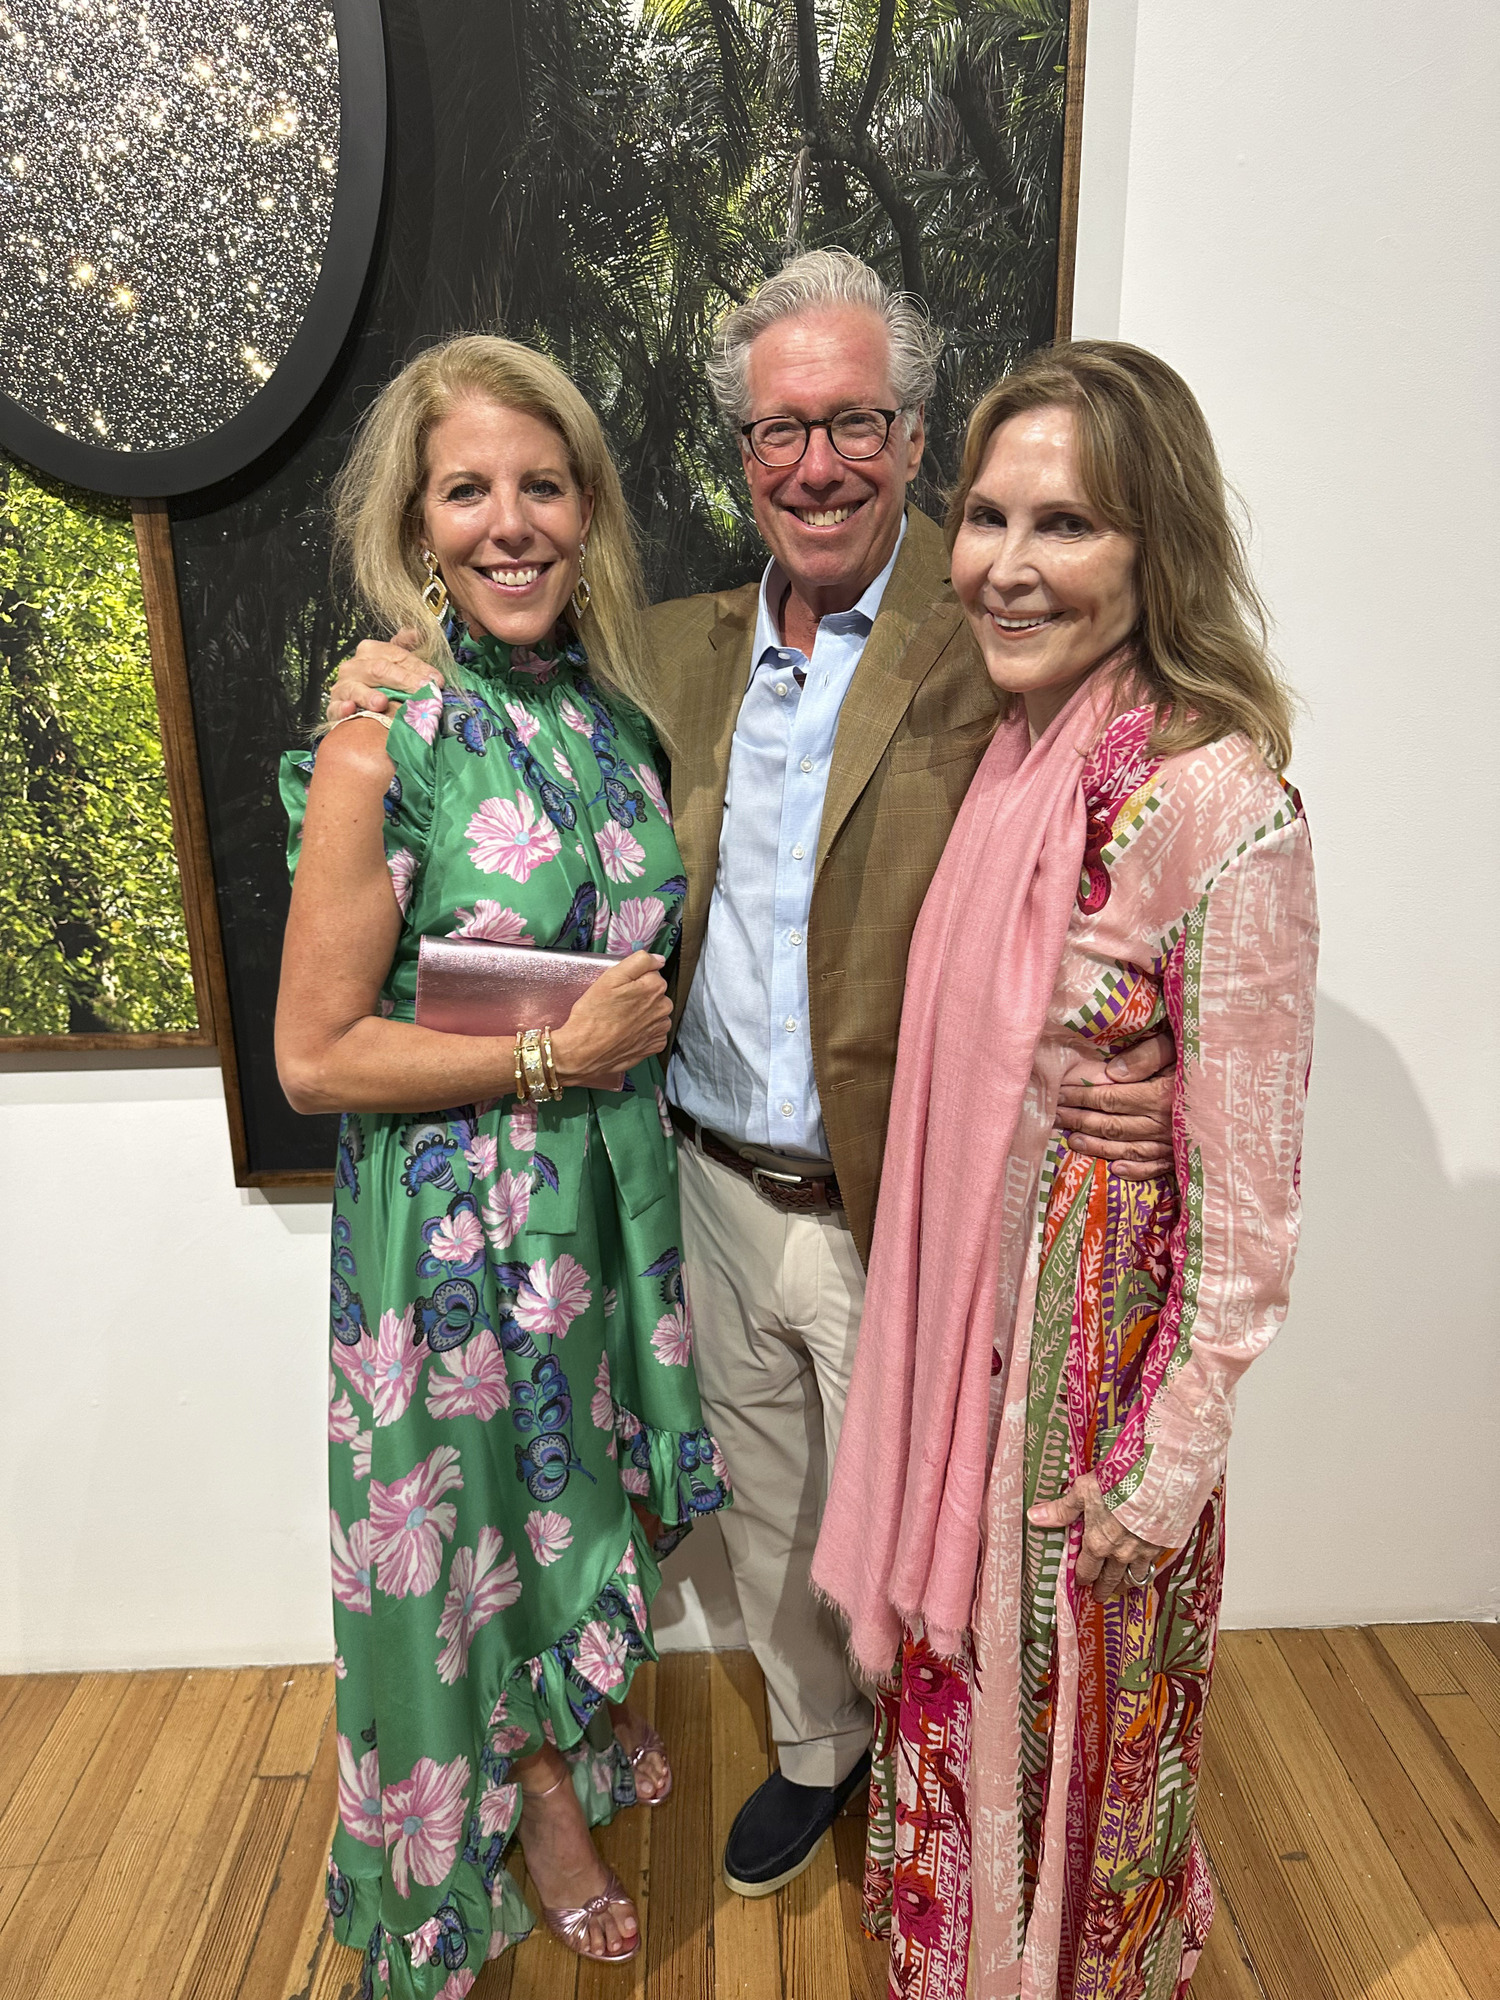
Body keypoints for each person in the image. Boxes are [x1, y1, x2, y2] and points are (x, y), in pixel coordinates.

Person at [324, 252, 1175, 1900]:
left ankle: (945, 1800)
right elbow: (513, 757)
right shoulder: (670, 652)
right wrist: (385, 675)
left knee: (937, 1549)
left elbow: (1132, 808)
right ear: (737, 456)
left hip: (892, 1206)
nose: (818, 463)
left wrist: (1153, 1062)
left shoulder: (999, 629)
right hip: (700, 1185)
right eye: (781, 429)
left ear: (917, 437)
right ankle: (815, 1750)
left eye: (857, 420)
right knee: (774, 1519)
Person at [812, 341, 1318, 2000]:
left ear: (1153, 549)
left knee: (1084, 1758)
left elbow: (1248, 1213)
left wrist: (1162, 1475)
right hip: (977, 1346)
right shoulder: (1013, 750)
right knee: (977, 1735)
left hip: (1096, 1389)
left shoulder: (1217, 798)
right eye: (986, 517)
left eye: (1070, 526)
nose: (1008, 565)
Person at [275, 333, 730, 1996]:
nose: (510, 521)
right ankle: (538, 1809)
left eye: (544, 485)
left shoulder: (611, 722)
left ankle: (577, 1738)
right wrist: (554, 1058)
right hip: (455, 1233)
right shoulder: (383, 734)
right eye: (470, 489)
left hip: (592, 1222)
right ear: (417, 522)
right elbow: (314, 1055)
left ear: (590, 508)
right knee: (482, 1529)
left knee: (569, 1508)